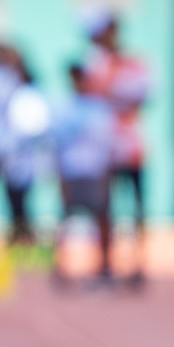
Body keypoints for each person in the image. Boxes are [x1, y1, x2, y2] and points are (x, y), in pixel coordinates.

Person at [81, 9, 152, 285]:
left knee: (135, 207)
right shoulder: (93, 63)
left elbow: (139, 96)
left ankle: (138, 264)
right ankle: (105, 265)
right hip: (102, 149)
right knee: (103, 207)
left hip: (130, 146)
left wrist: (111, 93)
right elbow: (89, 97)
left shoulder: (133, 63)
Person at [51, 63, 116, 287]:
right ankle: (61, 268)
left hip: (95, 171)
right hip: (72, 170)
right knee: (66, 220)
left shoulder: (100, 108)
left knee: (102, 218)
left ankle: (105, 268)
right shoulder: (64, 108)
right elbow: (57, 145)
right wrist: (59, 175)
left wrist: (106, 175)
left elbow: (107, 145)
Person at [0, 50, 50, 247]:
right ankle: (20, 238)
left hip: (25, 158)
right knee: (12, 200)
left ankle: (25, 239)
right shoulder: (11, 95)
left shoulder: (32, 96)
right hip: (11, 159)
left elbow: (36, 128)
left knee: (22, 201)